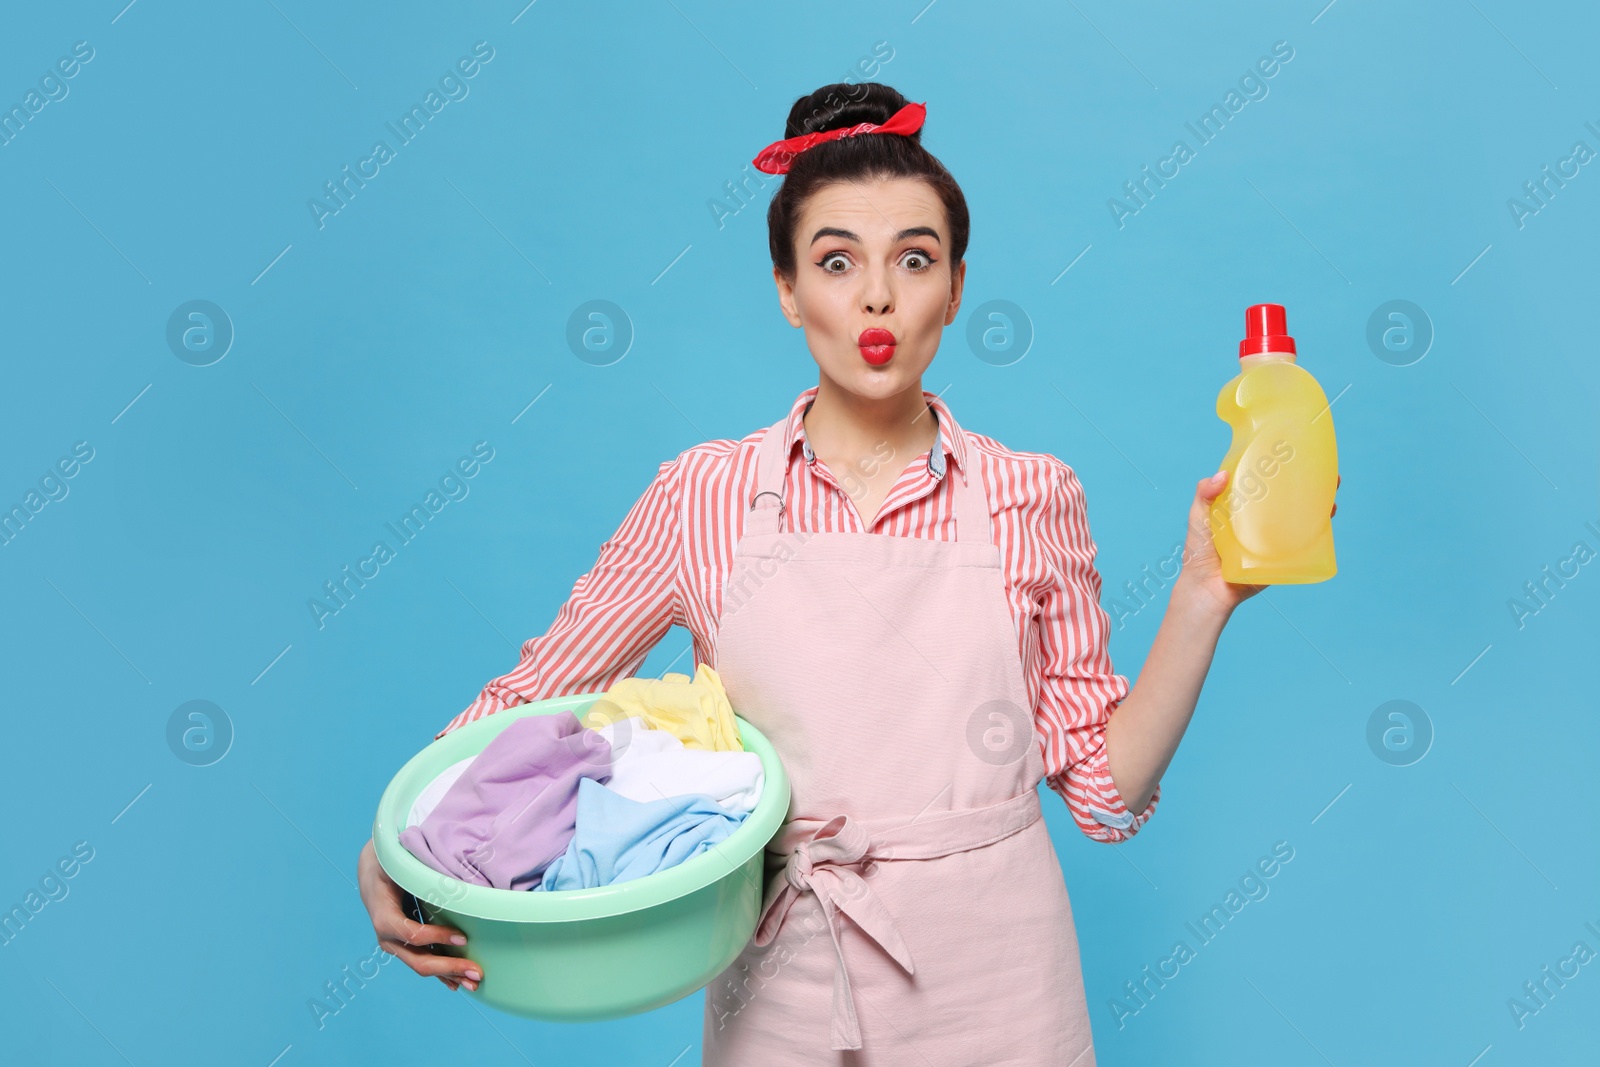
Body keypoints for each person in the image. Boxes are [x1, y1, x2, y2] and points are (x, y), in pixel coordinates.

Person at [357, 81, 1338, 1063]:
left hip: (1004, 991)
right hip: (787, 979)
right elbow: (532, 700)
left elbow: (1102, 796)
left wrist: (1200, 597)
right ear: (786, 289)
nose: (877, 295)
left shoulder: (1032, 494)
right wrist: (397, 843)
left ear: (955, 287)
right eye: (837, 261)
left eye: (914, 259)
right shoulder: (702, 495)